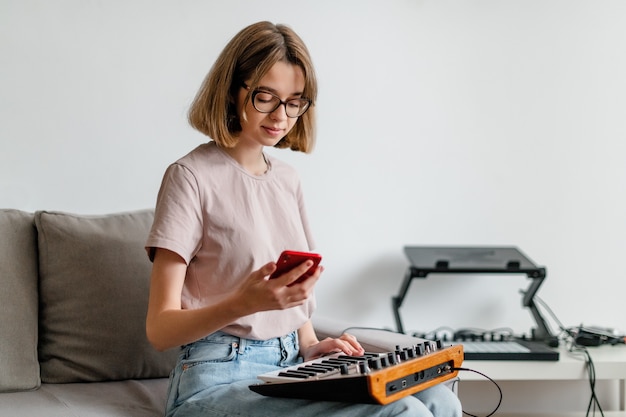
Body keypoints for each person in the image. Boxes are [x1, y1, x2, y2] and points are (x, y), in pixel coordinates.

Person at [145, 21, 462, 417]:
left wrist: (312, 347)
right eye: (266, 97)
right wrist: (242, 304)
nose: (281, 116)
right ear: (231, 90)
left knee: (439, 399)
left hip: (290, 366)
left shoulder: (287, 180)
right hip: (215, 375)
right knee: (405, 413)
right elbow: (159, 330)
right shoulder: (189, 176)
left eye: (294, 101)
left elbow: (294, 303)